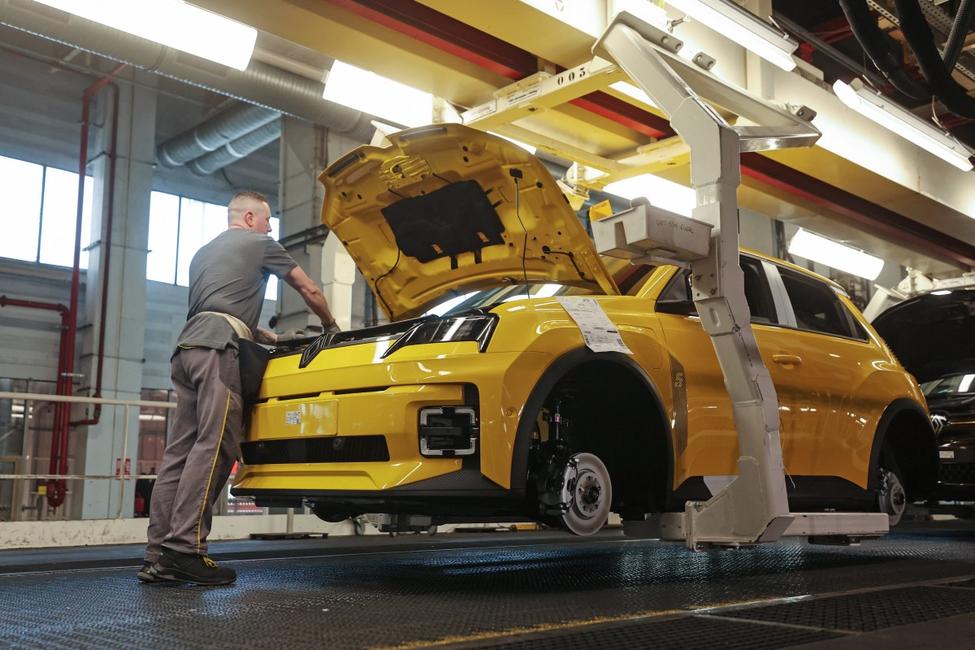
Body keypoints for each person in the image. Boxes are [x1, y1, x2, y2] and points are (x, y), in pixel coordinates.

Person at [138, 190, 338, 586]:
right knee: (217, 446)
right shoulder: (260, 243)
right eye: (266, 221)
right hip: (217, 353)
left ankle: (157, 555)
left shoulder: (203, 253)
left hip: (187, 352)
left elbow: (219, 311)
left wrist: (271, 338)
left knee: (179, 453)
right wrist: (331, 325)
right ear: (249, 218)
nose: (269, 229)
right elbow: (309, 288)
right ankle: (185, 550)